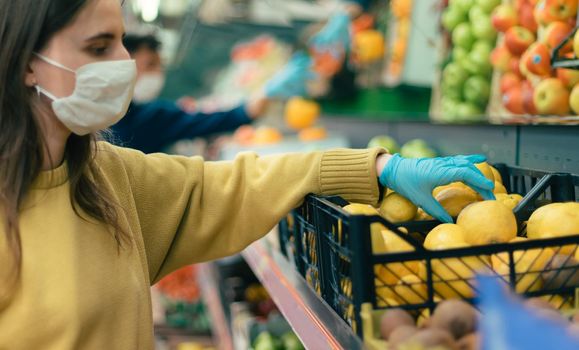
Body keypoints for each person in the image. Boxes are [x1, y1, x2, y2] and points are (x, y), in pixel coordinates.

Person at [0, 0, 494, 349]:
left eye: (122, 42)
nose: (125, 64)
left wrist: (381, 166)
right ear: (25, 61)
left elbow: (232, 186)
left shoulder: (108, 180)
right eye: (99, 46)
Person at [111, 33, 314, 153]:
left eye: (160, 66)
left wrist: (269, 91)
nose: (157, 74)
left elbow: (227, 118)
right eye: (150, 65)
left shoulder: (151, 115)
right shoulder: (107, 120)